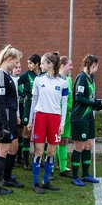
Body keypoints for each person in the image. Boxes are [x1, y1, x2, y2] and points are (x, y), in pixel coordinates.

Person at [27, 52, 68, 194]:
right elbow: (34, 100)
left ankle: (46, 181)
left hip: (55, 119)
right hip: (40, 117)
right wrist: (31, 120)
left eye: (43, 63)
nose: (41, 65)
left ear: (50, 64)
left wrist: (62, 124)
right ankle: (36, 182)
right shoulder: (38, 80)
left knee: (51, 152)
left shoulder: (63, 82)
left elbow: (64, 104)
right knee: (38, 151)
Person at [0, 45, 23, 196]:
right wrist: (4, 125)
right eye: (15, 62)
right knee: (2, 151)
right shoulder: (0, 75)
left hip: (10, 115)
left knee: (13, 147)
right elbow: (0, 102)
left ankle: (7, 178)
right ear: (8, 60)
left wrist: (14, 115)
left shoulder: (5, 75)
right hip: (4, 117)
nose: (16, 65)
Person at [70, 54, 102, 186]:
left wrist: (96, 104)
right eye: (94, 66)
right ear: (88, 66)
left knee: (89, 145)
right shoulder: (81, 78)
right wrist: (92, 103)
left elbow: (90, 96)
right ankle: (75, 176)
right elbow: (79, 97)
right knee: (79, 146)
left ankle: (85, 174)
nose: (96, 69)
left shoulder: (92, 77)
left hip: (89, 117)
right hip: (80, 117)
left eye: (96, 66)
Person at [18, 54, 42, 170]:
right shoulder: (27, 75)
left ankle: (38, 159)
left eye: (30, 63)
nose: (28, 66)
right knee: (26, 133)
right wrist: (22, 96)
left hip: (41, 107)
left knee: (40, 134)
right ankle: (25, 161)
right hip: (28, 106)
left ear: (37, 64)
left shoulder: (44, 75)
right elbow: (16, 83)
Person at [51, 56, 74, 179]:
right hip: (56, 116)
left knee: (64, 141)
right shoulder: (55, 79)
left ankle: (63, 168)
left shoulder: (69, 80)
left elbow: (70, 98)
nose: (72, 67)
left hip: (67, 116)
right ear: (62, 65)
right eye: (70, 64)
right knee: (54, 142)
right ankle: (50, 169)